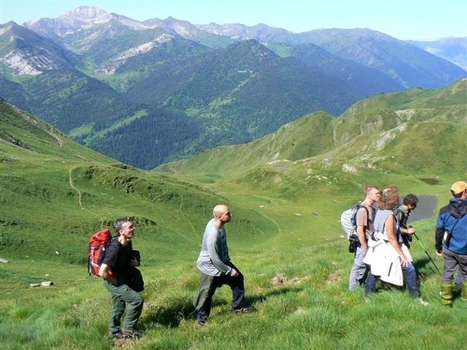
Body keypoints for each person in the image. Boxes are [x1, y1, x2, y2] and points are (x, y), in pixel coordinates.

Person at [364, 186, 427, 305]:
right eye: (396, 197)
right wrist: (402, 255)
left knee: (375, 270)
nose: (398, 198)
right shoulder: (389, 215)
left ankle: (368, 296)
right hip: (387, 249)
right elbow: (391, 237)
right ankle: (415, 297)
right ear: (392, 199)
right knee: (409, 268)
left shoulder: (380, 211)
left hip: (378, 248)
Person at [193, 204, 253, 325]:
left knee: (238, 279)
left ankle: (238, 307)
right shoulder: (213, 235)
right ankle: (202, 319)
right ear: (219, 217)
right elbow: (214, 259)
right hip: (210, 266)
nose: (231, 215)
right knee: (207, 292)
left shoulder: (217, 223)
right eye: (227, 214)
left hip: (221, 262)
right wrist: (229, 271)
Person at [99, 218, 144, 339]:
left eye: (133, 226)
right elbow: (102, 272)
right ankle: (128, 329)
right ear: (121, 232)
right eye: (130, 227)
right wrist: (116, 283)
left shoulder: (127, 242)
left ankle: (113, 332)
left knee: (118, 305)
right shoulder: (114, 249)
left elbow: (126, 259)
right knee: (137, 300)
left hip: (121, 277)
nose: (134, 228)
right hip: (113, 280)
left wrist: (133, 262)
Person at [435, 181, 467, 306]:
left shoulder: (444, 211)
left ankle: (446, 301)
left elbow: (439, 231)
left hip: (449, 249)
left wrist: (438, 247)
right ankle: (465, 300)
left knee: (447, 273)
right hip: (466, 251)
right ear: (465, 192)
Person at [348, 184, 380, 291]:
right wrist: (365, 246)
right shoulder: (363, 210)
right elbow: (360, 230)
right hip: (363, 243)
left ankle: (361, 285)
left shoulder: (371, 209)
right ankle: (353, 289)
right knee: (359, 265)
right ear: (369, 195)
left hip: (369, 242)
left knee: (366, 266)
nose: (378, 195)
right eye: (376, 194)